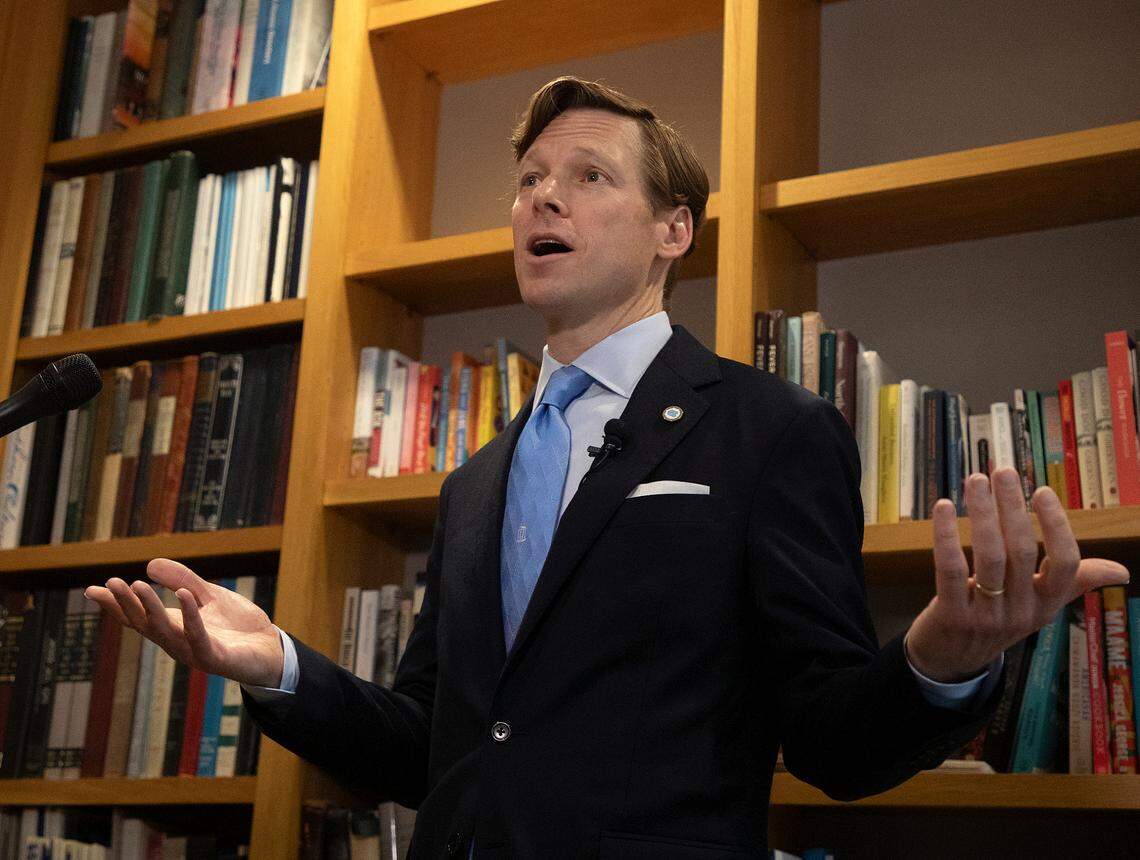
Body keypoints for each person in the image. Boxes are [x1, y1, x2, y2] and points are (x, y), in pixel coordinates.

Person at [84, 77, 1129, 858]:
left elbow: (830, 745)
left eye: (589, 176)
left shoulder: (772, 429)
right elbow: (428, 749)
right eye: (530, 180)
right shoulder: (476, 483)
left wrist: (940, 662)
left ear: (676, 228)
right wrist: (278, 664)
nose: (545, 198)